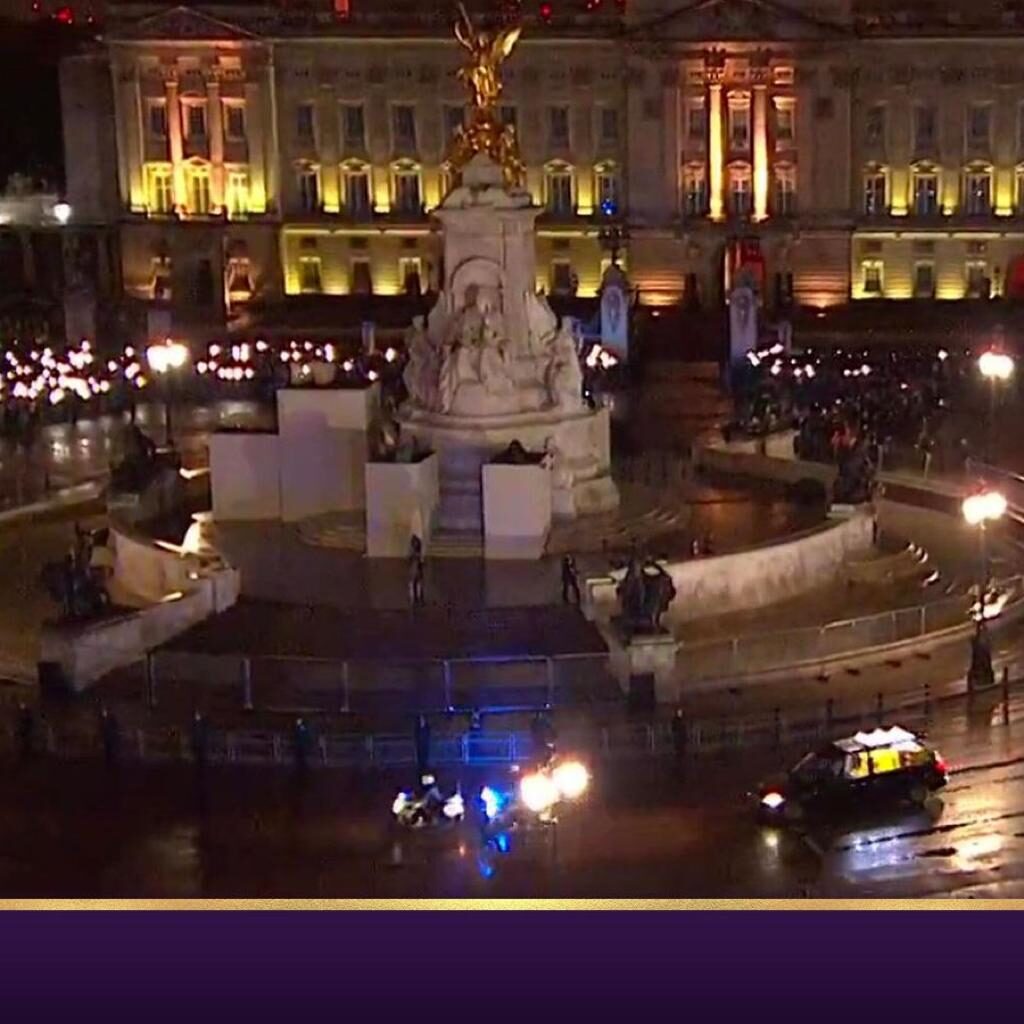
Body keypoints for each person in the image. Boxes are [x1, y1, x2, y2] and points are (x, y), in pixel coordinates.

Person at [408, 534, 425, 606]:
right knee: (416, 584)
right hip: (416, 570)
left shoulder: (413, 553)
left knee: (414, 584)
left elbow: (409, 559)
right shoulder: (417, 554)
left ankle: (414, 598)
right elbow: (421, 561)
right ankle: (416, 598)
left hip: (415, 569)